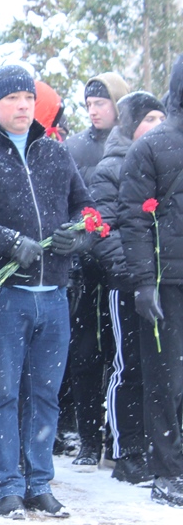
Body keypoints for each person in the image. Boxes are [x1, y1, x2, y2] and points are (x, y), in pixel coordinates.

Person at [0, 64, 94, 519]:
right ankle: (7, 485)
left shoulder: (55, 153)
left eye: (28, 97)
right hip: (3, 295)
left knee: (45, 393)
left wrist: (79, 234)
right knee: (2, 392)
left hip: (54, 294)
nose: (23, 105)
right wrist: (6, 241)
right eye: (12, 99)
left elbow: (85, 207)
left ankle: (40, 481)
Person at [89, 91, 165, 486]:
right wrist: (133, 271)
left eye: (160, 118)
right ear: (131, 124)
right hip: (127, 284)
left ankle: (160, 446)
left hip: (163, 281)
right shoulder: (111, 167)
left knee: (163, 369)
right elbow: (103, 227)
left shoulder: (165, 160)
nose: (155, 126)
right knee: (129, 365)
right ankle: (125, 449)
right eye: (148, 119)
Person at [119, 53, 183, 507]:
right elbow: (132, 219)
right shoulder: (152, 146)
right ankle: (167, 469)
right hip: (167, 281)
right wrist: (144, 281)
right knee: (165, 378)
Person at [63, 72, 130, 470]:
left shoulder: (132, 144)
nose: (93, 110)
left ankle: (119, 434)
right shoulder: (74, 147)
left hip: (121, 266)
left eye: (101, 103)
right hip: (86, 267)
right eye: (88, 104)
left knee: (122, 356)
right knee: (86, 353)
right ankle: (89, 437)